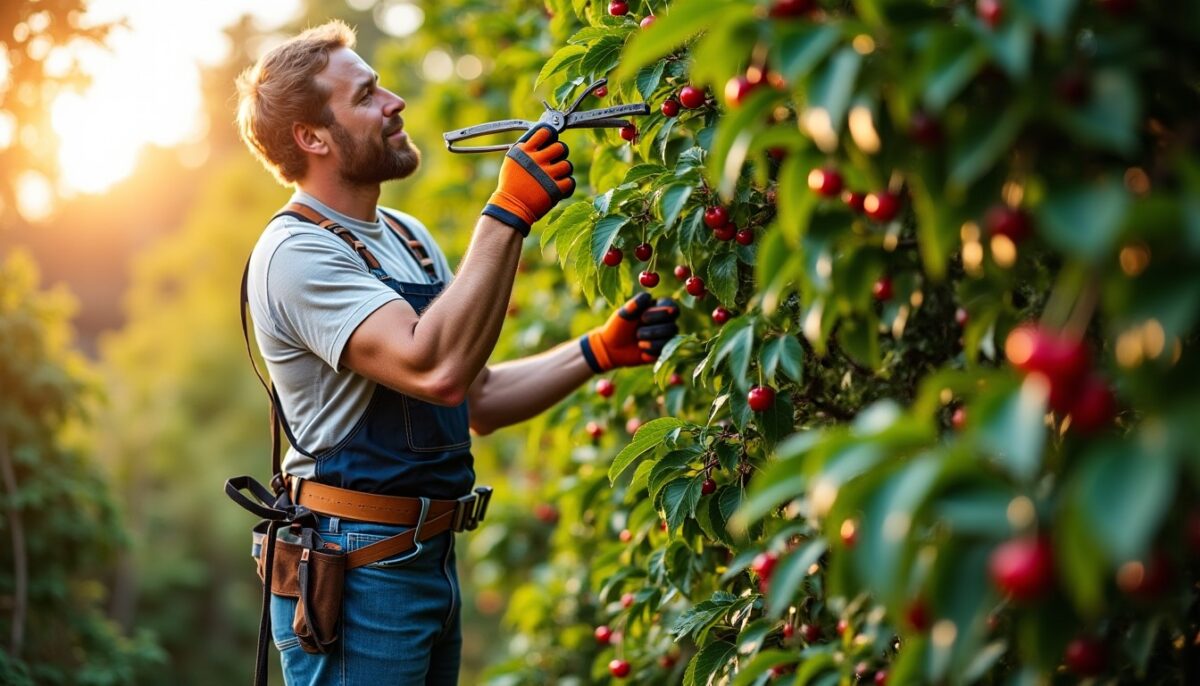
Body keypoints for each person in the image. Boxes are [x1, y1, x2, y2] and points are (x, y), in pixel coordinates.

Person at [233, 19, 679, 685]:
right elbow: (433, 368)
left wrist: (596, 352)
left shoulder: (406, 237)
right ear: (312, 137)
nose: (395, 104)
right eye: (367, 97)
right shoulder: (297, 253)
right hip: (355, 571)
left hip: (425, 560)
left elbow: (477, 396)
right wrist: (506, 215)